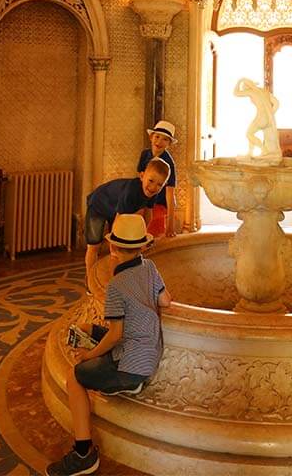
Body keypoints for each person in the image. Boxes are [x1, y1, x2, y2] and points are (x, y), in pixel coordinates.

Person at [47, 214, 172, 476]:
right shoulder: (149, 267)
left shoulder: (116, 285)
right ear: (142, 246)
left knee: (74, 377)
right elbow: (166, 301)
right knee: (90, 330)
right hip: (149, 350)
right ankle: (118, 369)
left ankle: (83, 453)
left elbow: (115, 335)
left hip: (131, 364)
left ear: (113, 248)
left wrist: (88, 355)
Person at [82, 160, 168, 276]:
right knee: (94, 246)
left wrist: (143, 237)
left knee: (117, 251)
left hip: (115, 208)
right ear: (142, 176)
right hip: (99, 205)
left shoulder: (153, 193)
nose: (153, 187)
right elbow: (119, 220)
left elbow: (148, 213)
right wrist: (114, 246)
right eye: (151, 181)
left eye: (159, 185)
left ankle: (117, 279)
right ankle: (90, 280)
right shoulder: (131, 192)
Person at [137, 120, 178, 238]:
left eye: (165, 139)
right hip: (144, 198)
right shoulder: (145, 154)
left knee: (152, 230)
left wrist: (171, 225)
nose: (159, 141)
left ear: (169, 144)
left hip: (158, 203)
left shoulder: (169, 164)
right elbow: (139, 180)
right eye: (157, 137)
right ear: (151, 137)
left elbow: (170, 195)